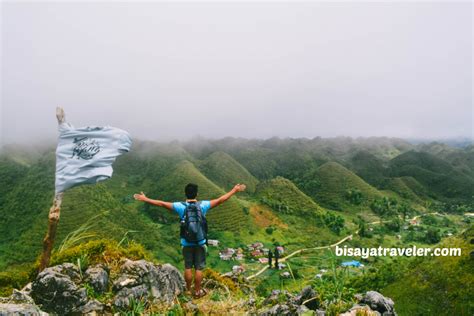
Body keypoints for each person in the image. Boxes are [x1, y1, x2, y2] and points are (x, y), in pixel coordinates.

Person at [133, 183, 246, 298]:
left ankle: (187, 290)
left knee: (188, 267)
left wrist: (145, 199)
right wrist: (234, 190)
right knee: (198, 268)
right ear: (197, 194)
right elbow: (221, 200)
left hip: (186, 243)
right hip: (200, 242)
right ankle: (197, 292)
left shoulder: (180, 206)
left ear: (185, 194)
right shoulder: (203, 205)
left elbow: (161, 203)